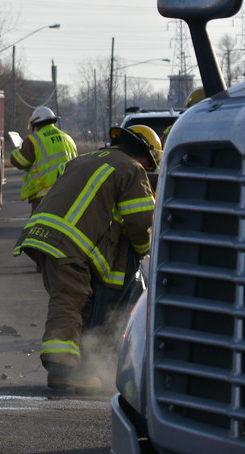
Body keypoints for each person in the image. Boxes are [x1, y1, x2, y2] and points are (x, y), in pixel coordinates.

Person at [13, 124, 161, 392]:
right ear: (144, 155)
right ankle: (62, 370)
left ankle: (80, 366)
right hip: (67, 241)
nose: (148, 170)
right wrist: (145, 253)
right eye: (149, 164)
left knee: (77, 300)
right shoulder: (131, 169)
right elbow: (140, 221)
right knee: (70, 299)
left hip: (41, 234)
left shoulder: (86, 159)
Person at [9, 105, 78, 213]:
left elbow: (20, 162)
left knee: (40, 227)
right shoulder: (68, 138)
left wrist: (16, 150)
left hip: (44, 195)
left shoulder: (34, 140)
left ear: (35, 125)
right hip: (68, 193)